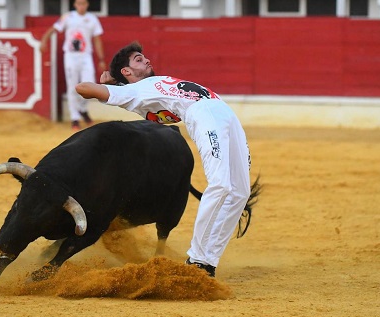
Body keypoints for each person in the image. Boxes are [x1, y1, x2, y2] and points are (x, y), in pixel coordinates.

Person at [75, 42, 252, 278]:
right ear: (126, 72)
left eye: (144, 57)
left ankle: (208, 261)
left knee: (240, 191)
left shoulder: (140, 87)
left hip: (224, 113)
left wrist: (116, 83)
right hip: (204, 113)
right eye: (138, 59)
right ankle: (197, 260)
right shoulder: (131, 92)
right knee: (220, 184)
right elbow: (82, 88)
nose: (146, 60)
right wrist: (107, 85)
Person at [40, 0, 106, 131]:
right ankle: (75, 118)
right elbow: (54, 29)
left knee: (90, 84)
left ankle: (82, 109)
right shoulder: (68, 17)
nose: (81, 6)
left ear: (87, 4)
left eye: (84, 3)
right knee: (72, 86)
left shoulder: (92, 19)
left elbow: (97, 39)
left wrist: (101, 59)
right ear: (75, 5)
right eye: (79, 3)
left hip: (86, 55)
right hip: (70, 56)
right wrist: (44, 40)